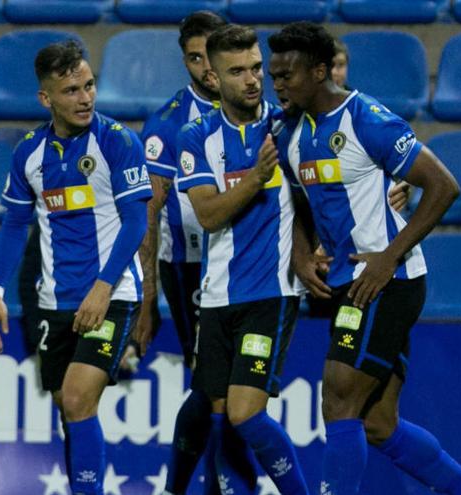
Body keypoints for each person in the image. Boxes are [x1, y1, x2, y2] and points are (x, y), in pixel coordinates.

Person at [268, 22, 461, 495]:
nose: (277, 84)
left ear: (319, 72)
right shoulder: (289, 131)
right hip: (350, 277)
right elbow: (300, 201)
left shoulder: (366, 118)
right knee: (377, 423)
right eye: (274, 74)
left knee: (338, 398)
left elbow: (444, 185)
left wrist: (388, 257)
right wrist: (300, 254)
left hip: (387, 279)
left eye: (287, 75)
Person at [0, 40, 151, 495]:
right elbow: (16, 222)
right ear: (46, 98)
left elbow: (137, 220)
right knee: (66, 406)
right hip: (55, 300)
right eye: (72, 90)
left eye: (90, 86)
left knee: (77, 399)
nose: (85, 98)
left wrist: (103, 287)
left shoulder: (117, 142)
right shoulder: (30, 154)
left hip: (110, 295)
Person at [176, 24, 309, 495]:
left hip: (270, 294)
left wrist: (397, 189)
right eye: (238, 71)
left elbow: (339, 178)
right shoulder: (195, 138)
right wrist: (255, 179)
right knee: (220, 420)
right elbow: (208, 214)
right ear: (213, 76)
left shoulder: (289, 126)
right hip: (215, 299)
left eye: (256, 68)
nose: (253, 80)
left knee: (245, 412)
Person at [135, 11, 258, 495]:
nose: (206, 67)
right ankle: (210, 486)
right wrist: (148, 299)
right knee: (214, 387)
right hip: (190, 269)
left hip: (253, 262)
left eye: (211, 55)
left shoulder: (257, 106)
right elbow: (149, 212)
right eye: (194, 58)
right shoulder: (166, 125)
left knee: (224, 388)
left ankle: (187, 487)